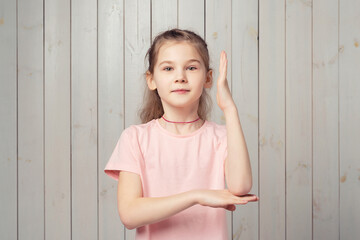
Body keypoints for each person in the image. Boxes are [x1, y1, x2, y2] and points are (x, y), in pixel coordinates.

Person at [104, 28, 259, 240]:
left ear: (208, 78)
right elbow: (129, 214)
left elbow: (240, 187)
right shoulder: (135, 139)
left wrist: (230, 109)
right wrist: (196, 195)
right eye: (168, 68)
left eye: (192, 67)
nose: (180, 77)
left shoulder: (221, 137)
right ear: (151, 80)